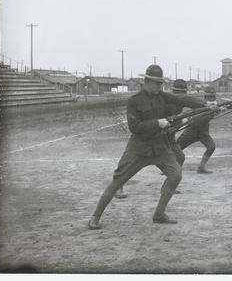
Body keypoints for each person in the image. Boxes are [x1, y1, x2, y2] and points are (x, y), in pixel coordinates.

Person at [87, 65, 209, 230]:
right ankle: (95, 217)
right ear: (147, 82)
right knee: (118, 181)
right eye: (157, 83)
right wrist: (157, 123)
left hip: (160, 147)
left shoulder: (162, 96)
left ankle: (159, 214)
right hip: (139, 148)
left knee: (175, 175)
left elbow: (182, 100)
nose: (160, 86)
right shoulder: (134, 101)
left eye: (161, 83)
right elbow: (134, 127)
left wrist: (205, 103)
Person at [174, 85, 218, 174]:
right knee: (177, 149)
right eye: (209, 96)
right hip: (191, 132)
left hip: (203, 133)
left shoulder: (215, 106)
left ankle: (201, 167)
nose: (211, 98)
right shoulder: (200, 105)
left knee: (211, 147)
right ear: (205, 96)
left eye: (212, 96)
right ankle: (173, 168)